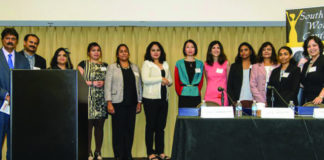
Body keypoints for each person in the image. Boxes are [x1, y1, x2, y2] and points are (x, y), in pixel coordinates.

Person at [104, 44, 142, 160]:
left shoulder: (135, 67)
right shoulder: (112, 67)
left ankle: (128, 155)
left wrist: (139, 101)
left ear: (128, 54)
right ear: (117, 54)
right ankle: (118, 155)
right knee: (118, 131)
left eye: (126, 51)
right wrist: (109, 102)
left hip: (132, 104)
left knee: (130, 130)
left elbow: (139, 85)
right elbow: (107, 85)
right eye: (121, 51)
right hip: (117, 103)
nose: (124, 53)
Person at [0, 28, 30, 160]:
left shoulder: (23, 60)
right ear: (2, 40)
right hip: (1, 107)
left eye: (13, 39)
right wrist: (5, 95)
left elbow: (29, 82)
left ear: (16, 41)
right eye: (7, 38)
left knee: (15, 144)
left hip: (18, 108)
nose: (10, 41)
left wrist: (19, 96)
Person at [141, 42, 172, 160]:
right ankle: (150, 153)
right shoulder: (147, 64)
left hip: (164, 99)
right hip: (150, 99)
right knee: (151, 126)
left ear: (161, 52)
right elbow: (145, 79)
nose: (155, 52)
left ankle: (160, 152)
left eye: (158, 50)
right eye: (153, 50)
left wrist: (168, 81)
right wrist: (161, 79)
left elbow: (170, 80)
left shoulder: (165, 63)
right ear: (149, 52)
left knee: (161, 127)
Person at [77, 42, 108, 160]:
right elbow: (79, 81)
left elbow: (110, 81)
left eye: (98, 50)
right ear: (89, 52)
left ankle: (98, 152)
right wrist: (92, 83)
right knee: (88, 129)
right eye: (93, 50)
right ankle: (88, 152)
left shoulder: (106, 65)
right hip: (87, 100)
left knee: (100, 128)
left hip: (101, 100)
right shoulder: (83, 64)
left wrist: (104, 83)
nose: (96, 52)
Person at [174, 39, 204, 108]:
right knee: (184, 116)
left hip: (196, 94)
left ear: (195, 49)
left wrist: (197, 90)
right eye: (187, 47)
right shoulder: (179, 63)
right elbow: (176, 80)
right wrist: (180, 91)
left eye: (192, 47)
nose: (190, 49)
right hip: (183, 93)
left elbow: (201, 80)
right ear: (184, 50)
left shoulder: (200, 63)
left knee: (195, 116)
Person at [227, 42, 257, 108]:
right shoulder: (234, 66)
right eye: (241, 50)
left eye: (246, 50)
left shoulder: (256, 66)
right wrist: (232, 101)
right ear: (239, 54)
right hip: (238, 102)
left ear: (250, 51)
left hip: (254, 102)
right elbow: (229, 85)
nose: (243, 52)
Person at [204, 40, 230, 106]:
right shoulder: (206, 64)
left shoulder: (226, 63)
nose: (216, 50)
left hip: (221, 95)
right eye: (213, 48)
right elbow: (207, 80)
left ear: (221, 50)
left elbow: (228, 81)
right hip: (209, 95)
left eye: (218, 48)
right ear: (210, 50)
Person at [301, 36, 324, 104]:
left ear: (319, 46)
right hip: (308, 101)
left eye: (314, 45)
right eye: (309, 46)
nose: (312, 48)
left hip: (320, 101)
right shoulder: (306, 64)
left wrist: (321, 96)